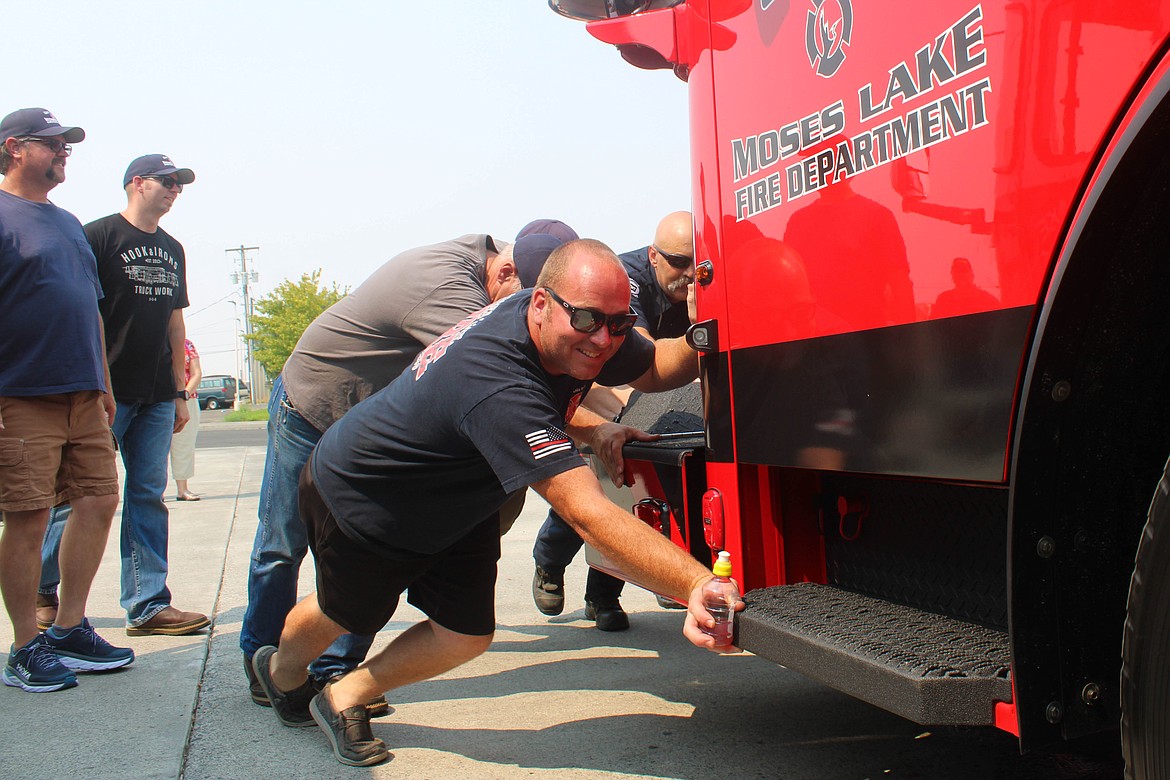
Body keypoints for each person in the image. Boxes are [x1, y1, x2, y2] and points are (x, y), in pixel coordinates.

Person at [251, 239, 737, 767]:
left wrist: (706, 333)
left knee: (465, 635)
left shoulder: (574, 323)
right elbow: (585, 512)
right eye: (589, 320)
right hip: (368, 492)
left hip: (461, 493)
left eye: (618, 324)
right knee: (346, 610)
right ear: (540, 303)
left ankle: (343, 694)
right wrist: (694, 583)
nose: (603, 340)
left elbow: (654, 367)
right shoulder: (497, 378)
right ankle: (280, 673)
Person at [240, 231, 568, 710]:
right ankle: (261, 662)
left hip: (362, 428)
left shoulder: (494, 269)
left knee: (374, 558)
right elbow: (503, 384)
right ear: (504, 275)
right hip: (315, 405)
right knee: (281, 546)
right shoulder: (451, 291)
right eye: (529, 305)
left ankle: (334, 672)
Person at [38, 154, 208, 637]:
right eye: (168, 181)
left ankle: (148, 604)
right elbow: (77, 309)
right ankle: (43, 590)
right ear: (137, 183)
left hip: (156, 393)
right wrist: (89, 384)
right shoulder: (96, 237)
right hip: (104, 391)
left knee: (147, 496)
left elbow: (176, 321)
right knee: (77, 496)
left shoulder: (173, 248)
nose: (175, 190)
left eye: (180, 185)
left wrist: (178, 389)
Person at [0, 107, 135, 693]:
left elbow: (90, 309)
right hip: (20, 394)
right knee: (27, 518)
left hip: (84, 394)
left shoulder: (69, 223)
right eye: (52, 144)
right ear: (13, 148)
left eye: (67, 147)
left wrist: (103, 383)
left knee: (101, 502)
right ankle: (25, 645)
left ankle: (70, 628)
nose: (63, 153)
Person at [532, 211, 695, 630]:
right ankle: (549, 561)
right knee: (597, 477)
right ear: (654, 256)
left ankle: (602, 597)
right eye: (679, 261)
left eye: (697, 261)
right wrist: (613, 424)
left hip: (661, 394)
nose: (689, 272)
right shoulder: (623, 283)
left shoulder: (699, 285)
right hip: (604, 386)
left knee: (645, 482)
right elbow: (630, 360)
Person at [170, 338, 202, 501]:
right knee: (155, 448)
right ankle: (156, 492)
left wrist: (184, 394)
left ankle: (182, 489)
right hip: (160, 400)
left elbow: (197, 373)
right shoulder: (153, 338)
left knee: (184, 445)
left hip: (187, 399)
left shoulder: (187, 344)